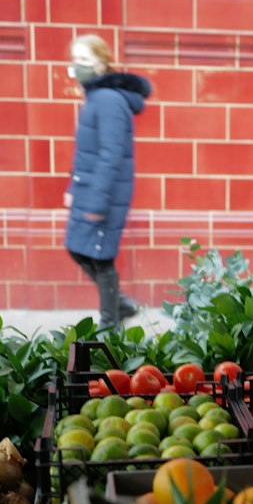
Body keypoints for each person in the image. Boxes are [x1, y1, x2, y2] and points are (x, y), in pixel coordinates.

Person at [63, 34, 151, 331]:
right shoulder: (94, 98)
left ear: (101, 64)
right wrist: (73, 190)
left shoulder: (109, 101)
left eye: (86, 60)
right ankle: (121, 305)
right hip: (89, 190)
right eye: (76, 60)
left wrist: (97, 201)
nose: (79, 67)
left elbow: (111, 155)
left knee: (100, 257)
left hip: (105, 193)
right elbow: (85, 153)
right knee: (77, 248)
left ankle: (110, 324)